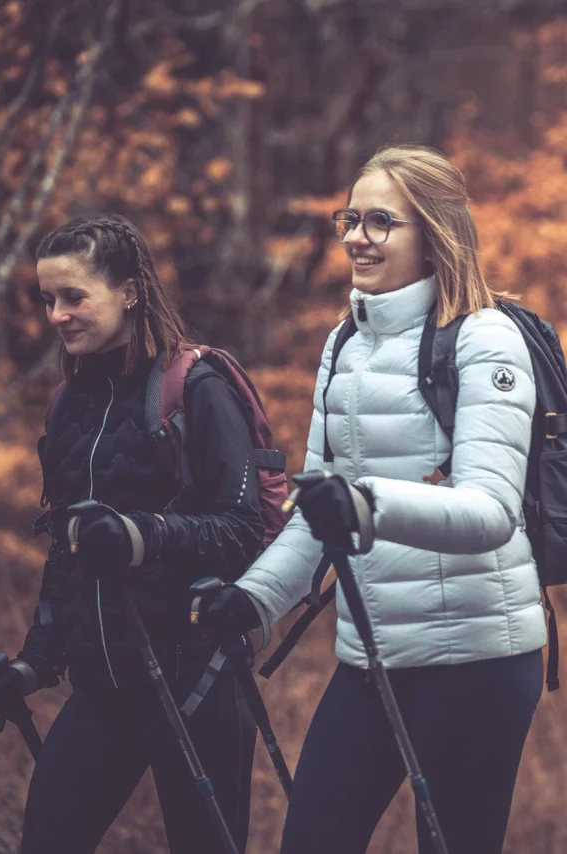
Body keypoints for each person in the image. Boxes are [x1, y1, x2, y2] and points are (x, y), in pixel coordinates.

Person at [197, 145, 547, 854]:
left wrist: (365, 504)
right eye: (350, 218)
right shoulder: (344, 344)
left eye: (381, 221)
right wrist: (253, 600)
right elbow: (317, 510)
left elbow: (489, 513)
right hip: (373, 658)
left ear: (435, 233)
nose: (357, 235)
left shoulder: (485, 340)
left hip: (478, 661)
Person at [0, 214, 264, 854]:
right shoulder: (69, 402)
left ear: (131, 291)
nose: (57, 314)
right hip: (102, 689)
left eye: (74, 296)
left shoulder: (197, 388)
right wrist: (36, 661)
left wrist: (143, 535)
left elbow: (244, 529)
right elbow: (68, 550)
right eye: (49, 299)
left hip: (196, 685)